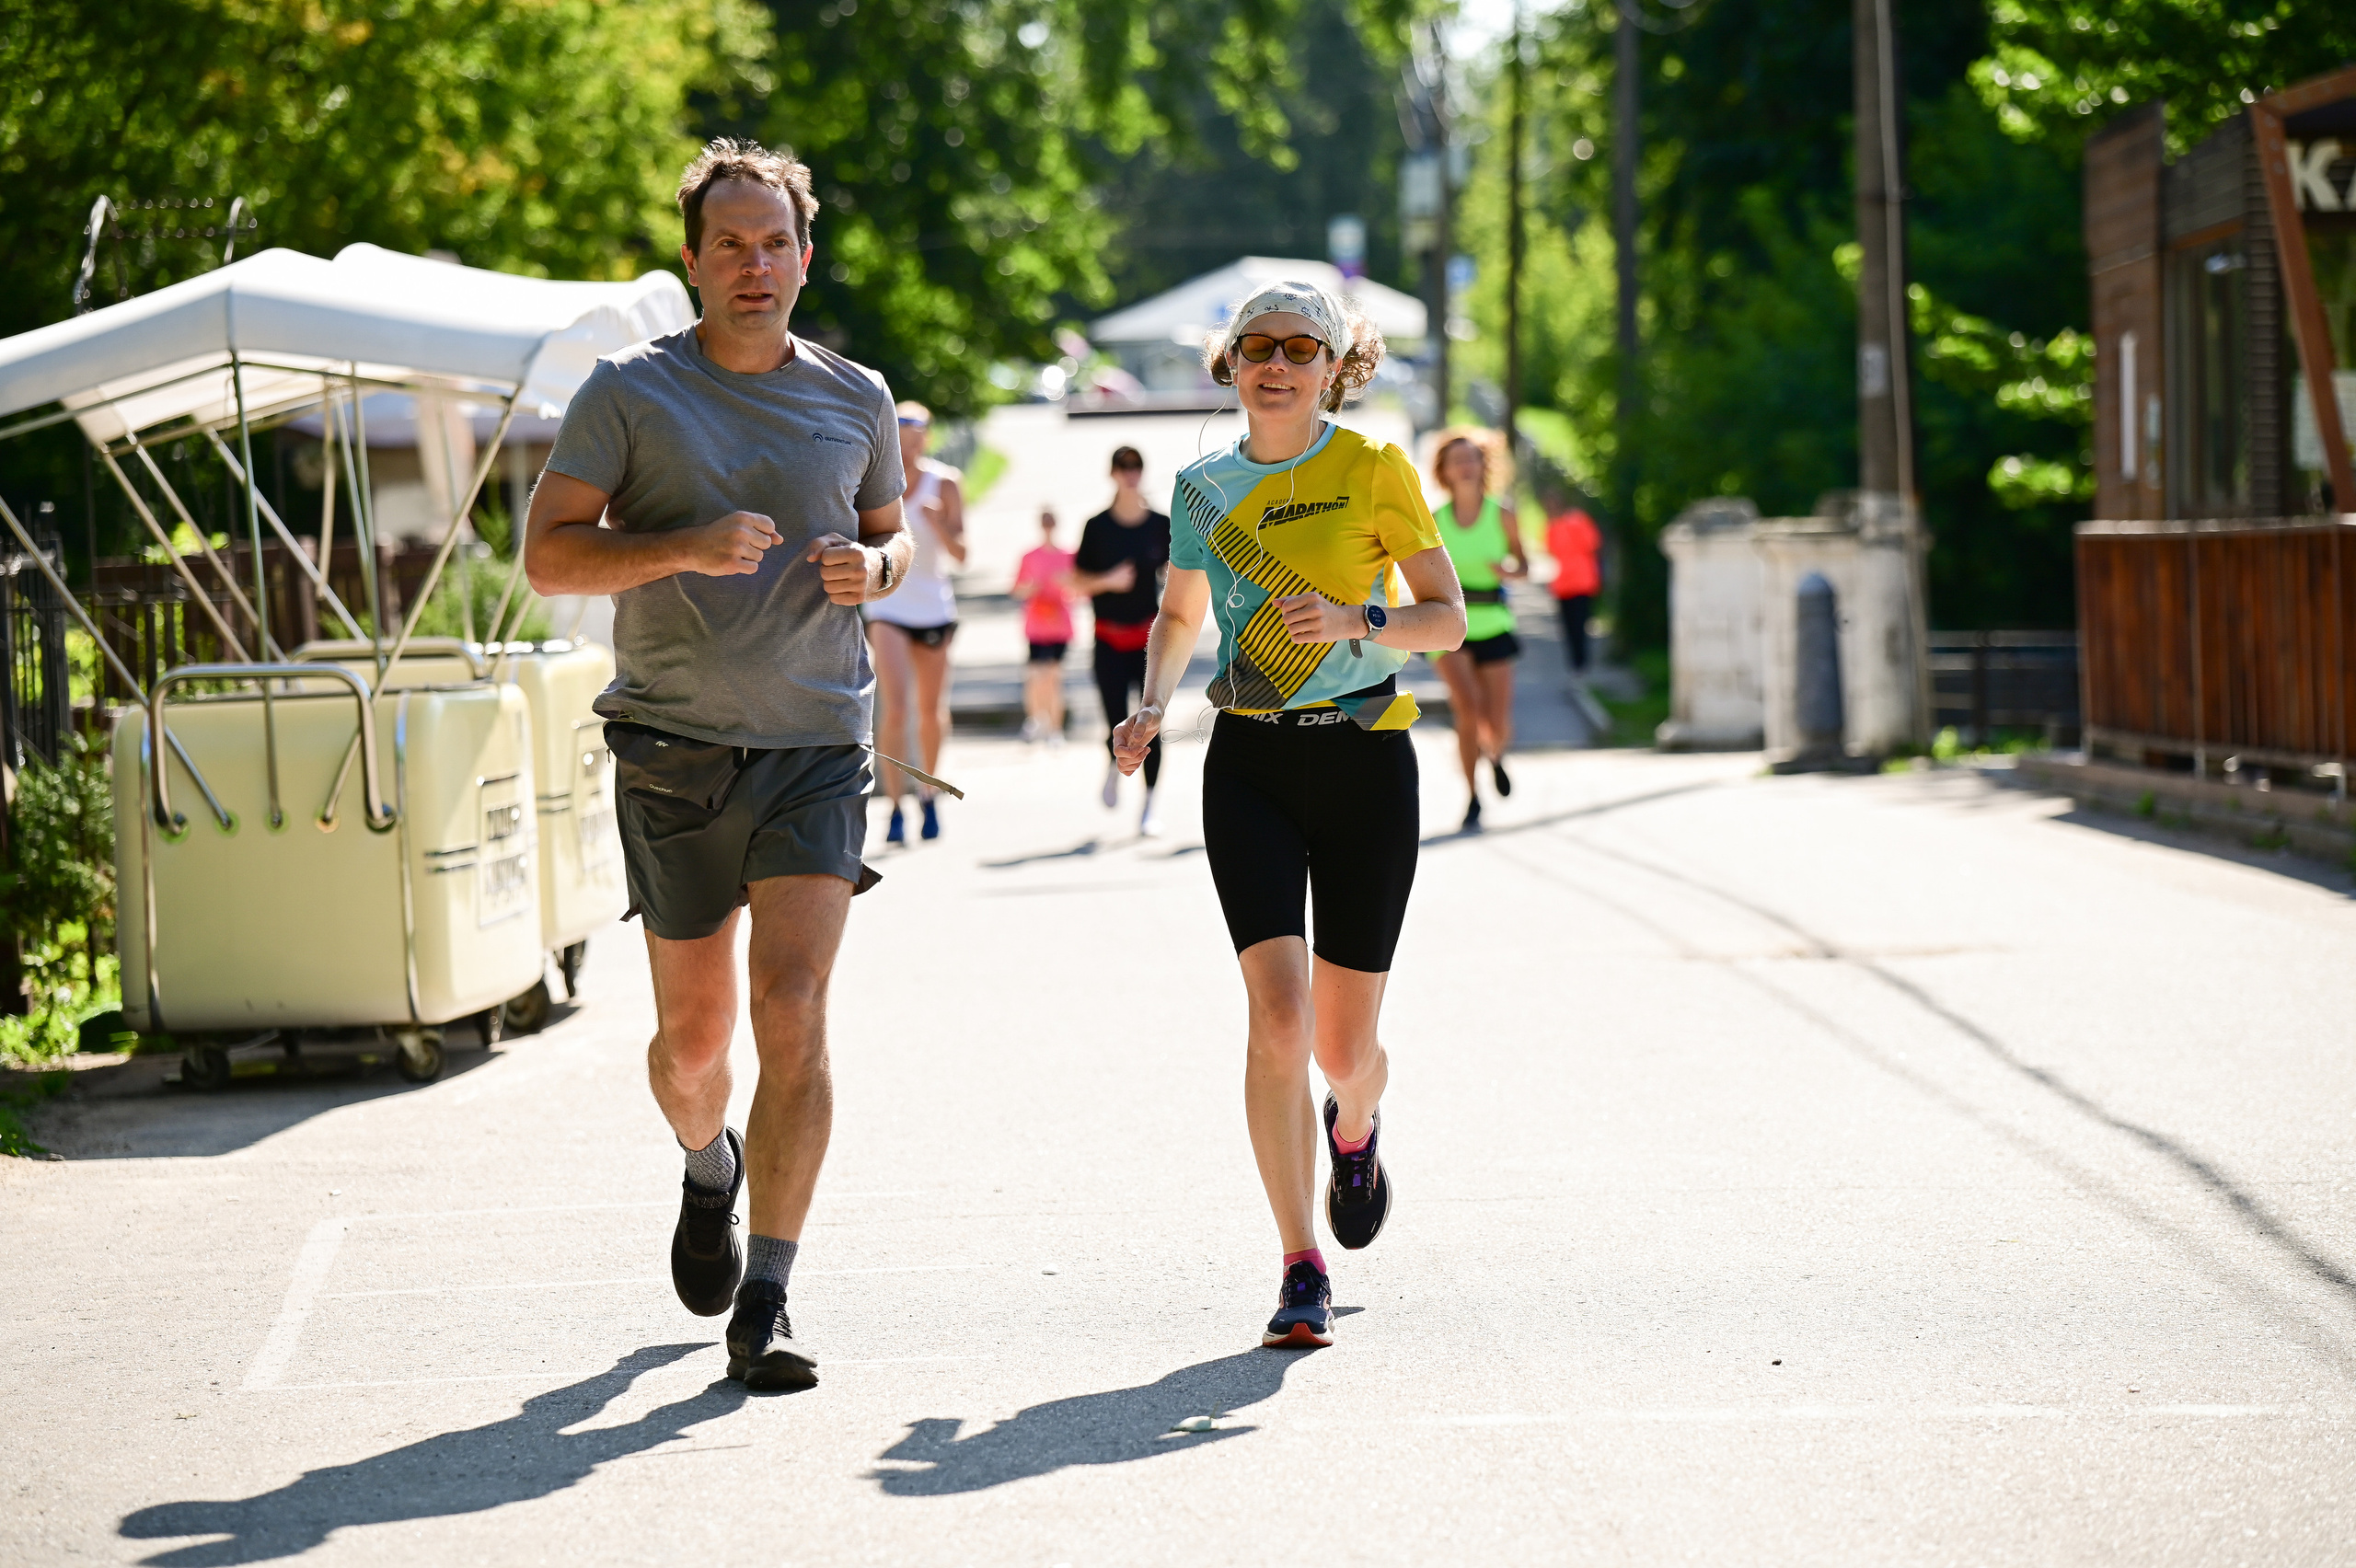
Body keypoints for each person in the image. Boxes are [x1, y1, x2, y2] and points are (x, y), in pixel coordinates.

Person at [524, 139, 915, 1393]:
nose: (756, 264)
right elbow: (550, 557)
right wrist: (684, 545)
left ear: (806, 256)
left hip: (815, 742)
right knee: (694, 1052)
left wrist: (883, 572)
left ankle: (772, 1298)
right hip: (674, 749)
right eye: (731, 244)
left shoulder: (855, 397)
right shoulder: (629, 395)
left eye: (776, 241)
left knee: (792, 1008)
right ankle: (709, 1168)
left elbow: (889, 537)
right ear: (692, 261)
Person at [1110, 280, 1466, 1349]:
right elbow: (1178, 615)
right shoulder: (1203, 487)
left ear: (1333, 366)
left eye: (1298, 347)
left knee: (1342, 1048)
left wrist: (1359, 617)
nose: (1275, 363)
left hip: (1365, 761)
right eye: (1255, 346)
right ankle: (1297, 1264)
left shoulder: (1372, 468)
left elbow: (1446, 621)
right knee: (1277, 1020)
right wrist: (1149, 705)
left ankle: (1353, 1126)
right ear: (1230, 363)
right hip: (1251, 766)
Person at [863, 401, 967, 844]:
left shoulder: (946, 482)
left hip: (935, 608)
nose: (910, 434)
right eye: (901, 425)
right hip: (888, 607)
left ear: (927, 433)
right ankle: (894, 806)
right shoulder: (875, 482)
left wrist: (939, 525)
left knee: (930, 711)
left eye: (918, 426)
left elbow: (963, 555)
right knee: (895, 707)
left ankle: (927, 793)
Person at [1428, 427, 1527, 833]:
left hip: (1495, 623)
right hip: (1451, 626)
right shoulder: (1434, 522)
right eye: (1458, 461)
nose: (1466, 467)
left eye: (1472, 459)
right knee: (1467, 709)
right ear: (1445, 472)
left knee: (1496, 721)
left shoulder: (1502, 514)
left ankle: (1496, 753)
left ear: (1484, 465)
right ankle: (1472, 796)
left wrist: (1509, 571)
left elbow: (1525, 566)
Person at [1073, 445, 1171, 836]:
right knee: (1114, 718)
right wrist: (1108, 581)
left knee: (1151, 723)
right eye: (1123, 467)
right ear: (1112, 473)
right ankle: (1114, 767)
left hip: (1149, 641)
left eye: (1136, 467)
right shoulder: (1097, 526)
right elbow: (1076, 581)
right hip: (1109, 640)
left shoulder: (1160, 523)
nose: (1130, 473)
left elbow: (1180, 570)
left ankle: (1149, 808)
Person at [1012, 508, 1074, 744]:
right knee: (1036, 676)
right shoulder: (1029, 556)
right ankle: (1036, 719)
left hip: (1059, 625)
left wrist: (1066, 584)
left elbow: (1078, 589)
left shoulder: (1069, 554)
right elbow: (1017, 589)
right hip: (1037, 625)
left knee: (1054, 677)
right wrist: (1031, 589)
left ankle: (1055, 729)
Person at [1544, 481, 1602, 676]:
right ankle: (1575, 666)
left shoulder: (1577, 520)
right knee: (1568, 626)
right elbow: (1550, 550)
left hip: (1582, 582)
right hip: (1563, 585)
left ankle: (1582, 664)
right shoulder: (1552, 526)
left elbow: (1592, 543)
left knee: (1580, 624)